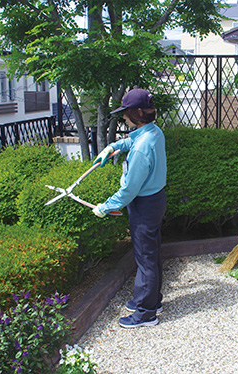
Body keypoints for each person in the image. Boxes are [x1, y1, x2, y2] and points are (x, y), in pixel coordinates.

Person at [92, 88, 167, 328]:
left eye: (126, 113)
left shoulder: (143, 148)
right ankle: (152, 300)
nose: (124, 117)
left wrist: (106, 206)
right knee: (151, 252)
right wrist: (113, 147)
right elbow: (132, 139)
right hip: (154, 200)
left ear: (138, 112)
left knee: (145, 257)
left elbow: (129, 191)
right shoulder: (153, 132)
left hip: (144, 205)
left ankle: (145, 314)